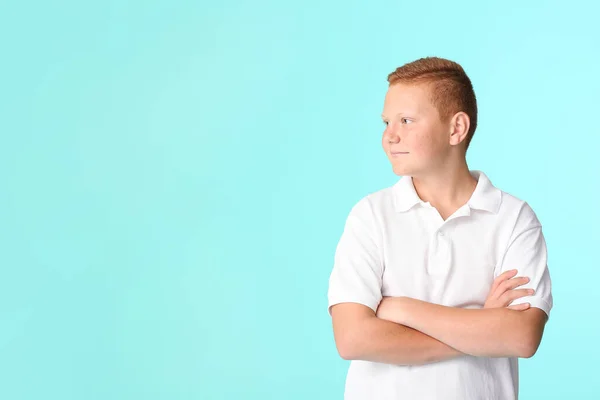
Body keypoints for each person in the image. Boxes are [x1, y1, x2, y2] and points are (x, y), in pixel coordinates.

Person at [327, 56, 553, 400]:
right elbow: (352, 338)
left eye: (406, 120)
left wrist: (401, 309)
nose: (390, 136)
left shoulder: (514, 219)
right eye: (387, 122)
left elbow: (520, 337)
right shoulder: (370, 216)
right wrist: (481, 327)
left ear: (456, 129)